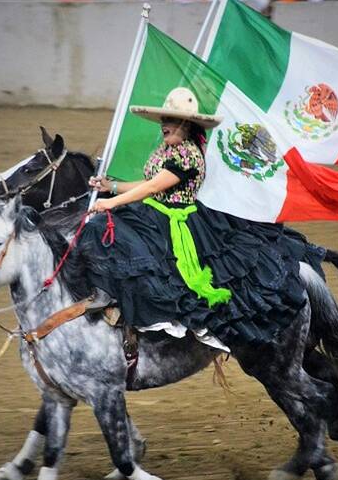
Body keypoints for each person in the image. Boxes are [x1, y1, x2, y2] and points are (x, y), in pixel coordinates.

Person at [78, 87, 319, 348]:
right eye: (163, 121)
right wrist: (110, 186)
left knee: (117, 236)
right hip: (154, 211)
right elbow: (147, 182)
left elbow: (152, 188)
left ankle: (168, 318)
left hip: (176, 220)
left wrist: (110, 202)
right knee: (109, 231)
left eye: (169, 121)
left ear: (185, 124)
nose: (164, 126)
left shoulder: (188, 154)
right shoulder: (167, 150)